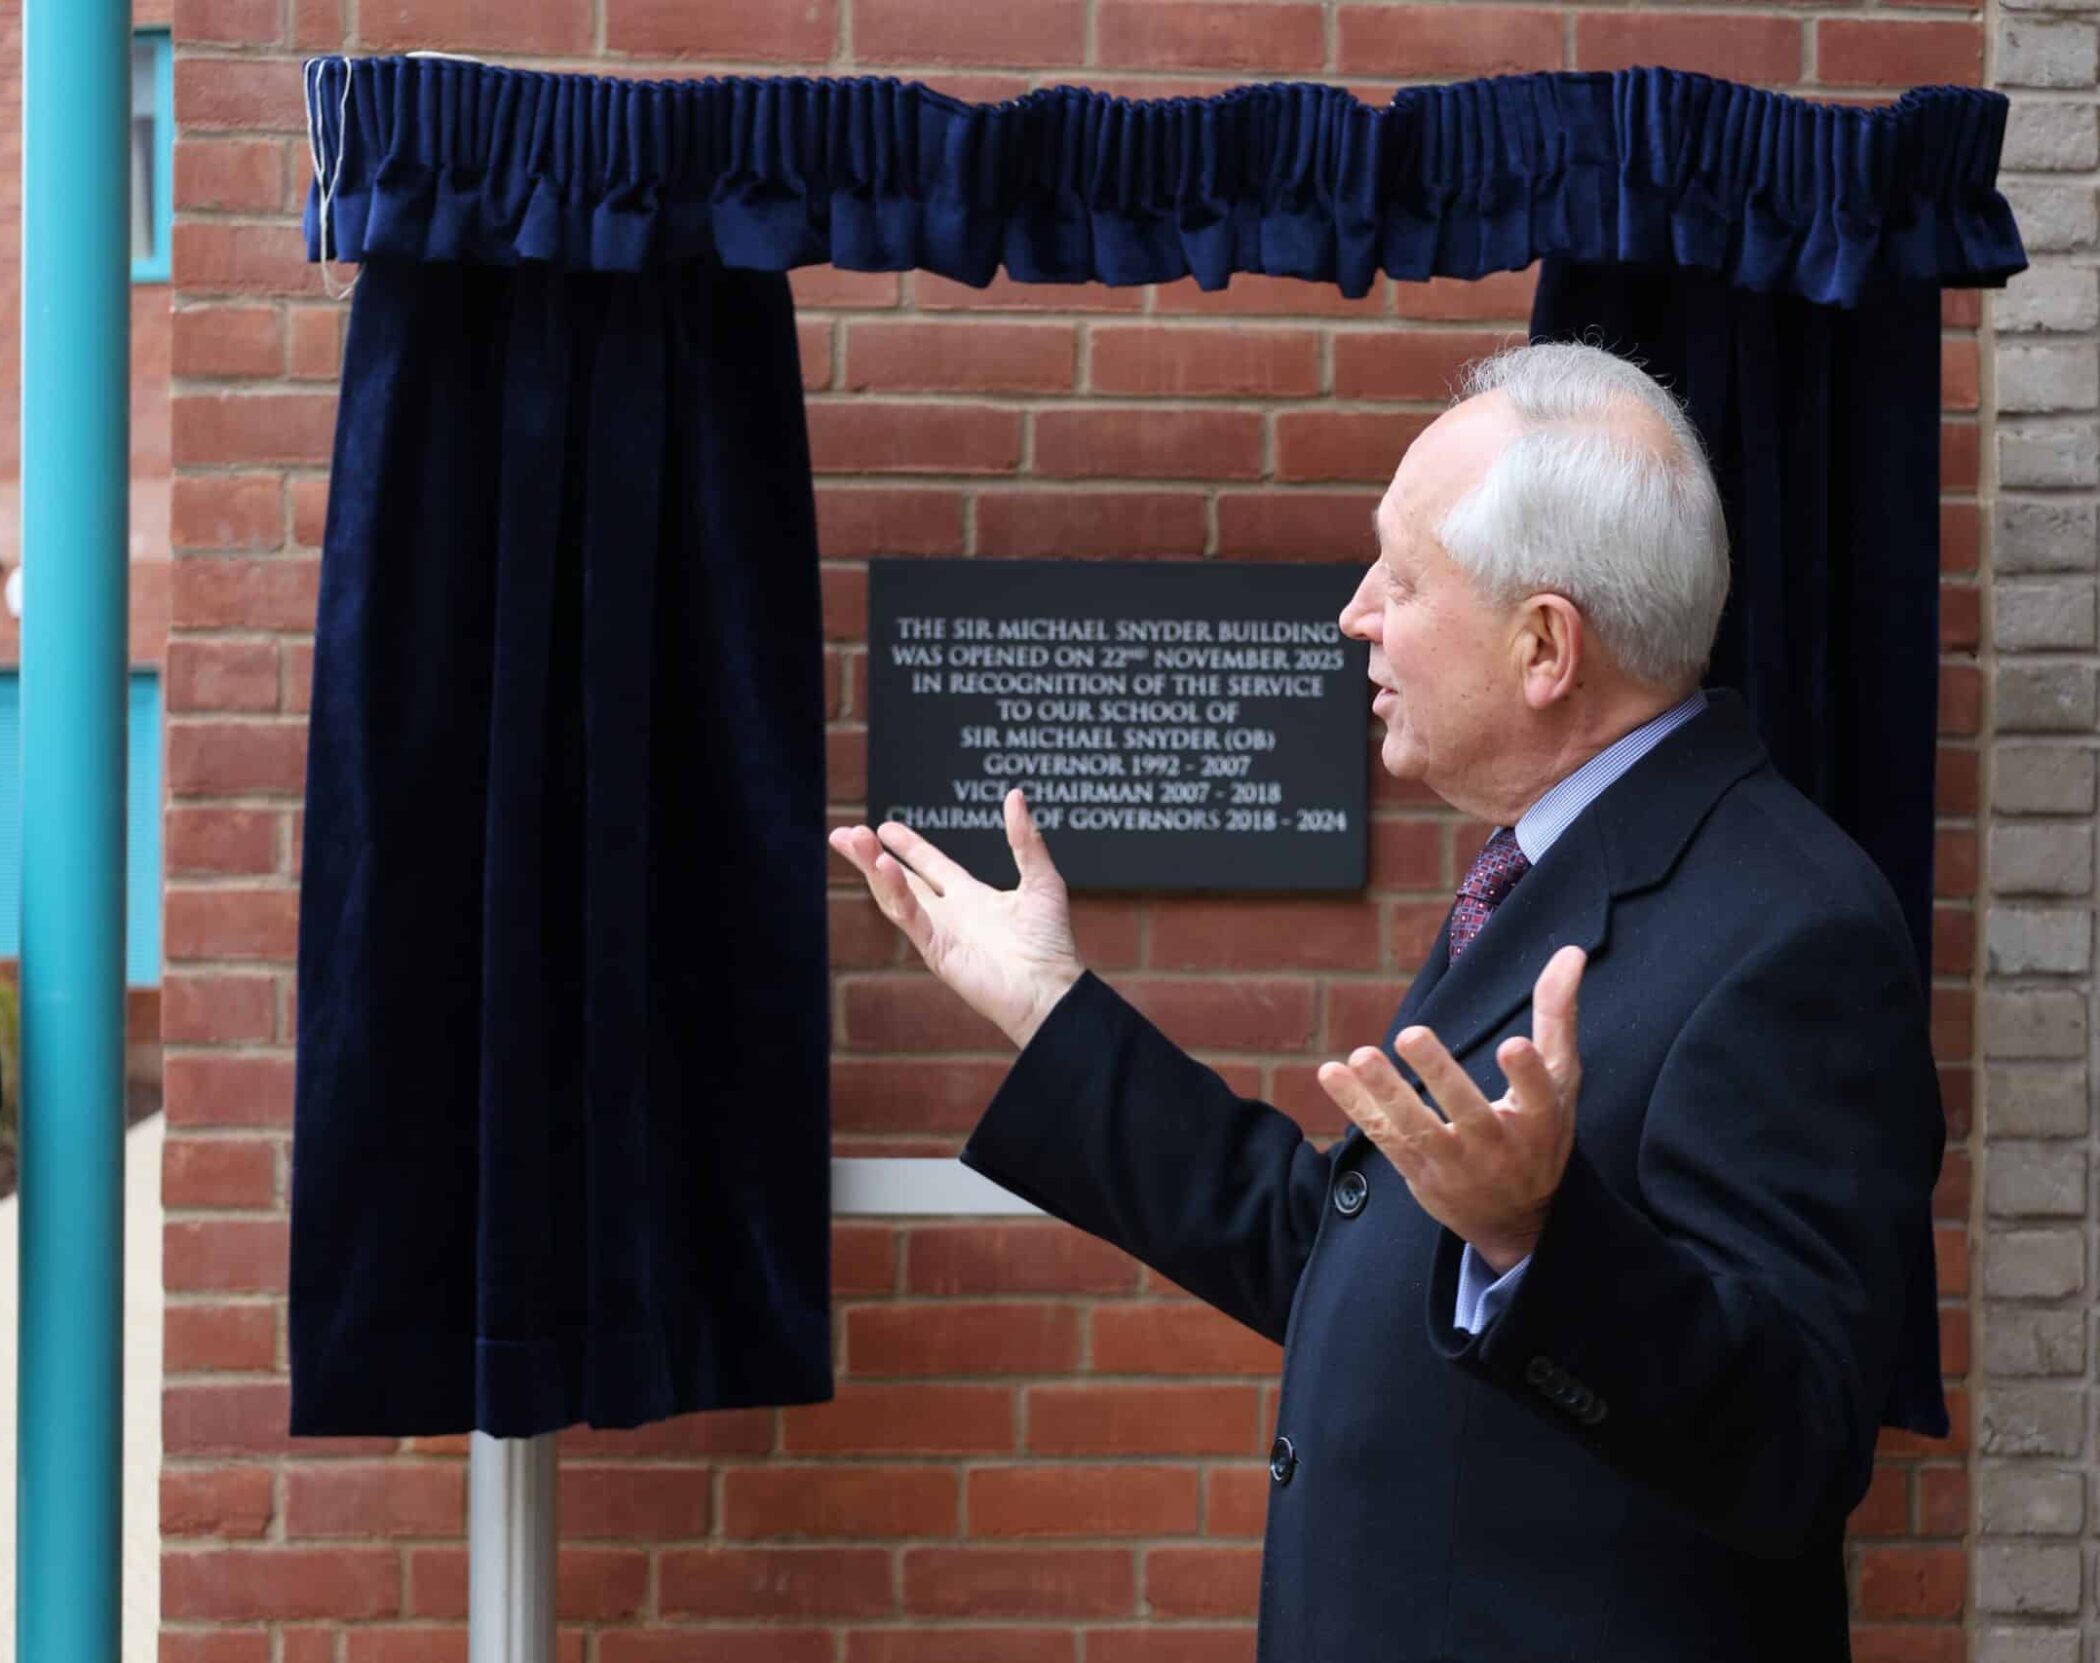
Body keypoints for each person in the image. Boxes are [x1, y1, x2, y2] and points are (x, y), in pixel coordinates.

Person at [829, 341, 1947, 1662]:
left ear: (1546, 646)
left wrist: (1543, 1246)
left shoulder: (1791, 927)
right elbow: (1342, 1249)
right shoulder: (1553, 863)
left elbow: (1794, 1448)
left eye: (1403, 577)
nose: (1357, 613)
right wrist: (1049, 1004)